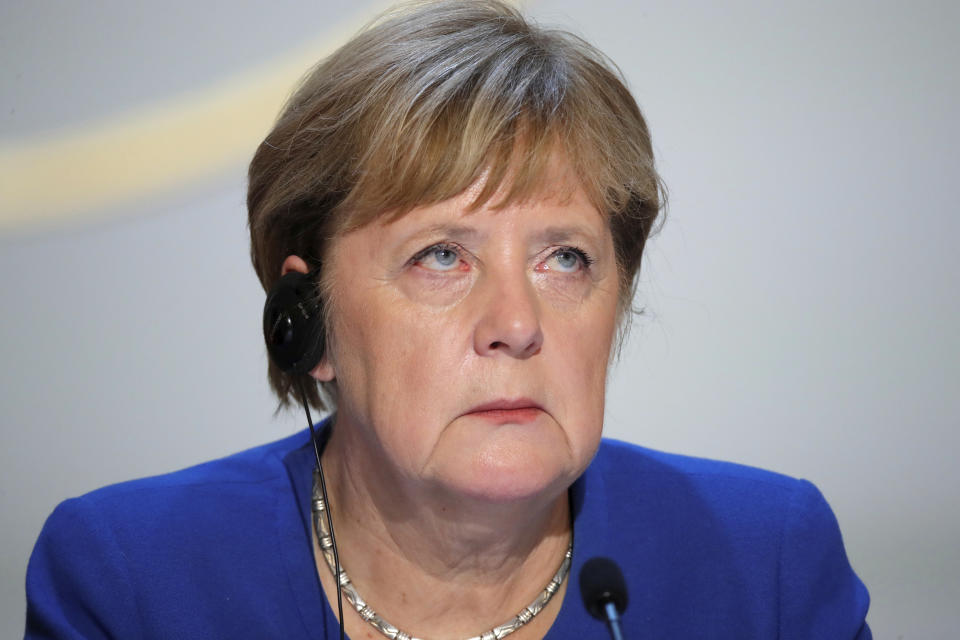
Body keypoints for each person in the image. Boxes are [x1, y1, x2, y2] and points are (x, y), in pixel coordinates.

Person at [25, 1, 871, 638]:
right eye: (442, 257)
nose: (515, 322)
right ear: (306, 320)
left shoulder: (767, 569)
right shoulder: (132, 579)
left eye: (564, 258)